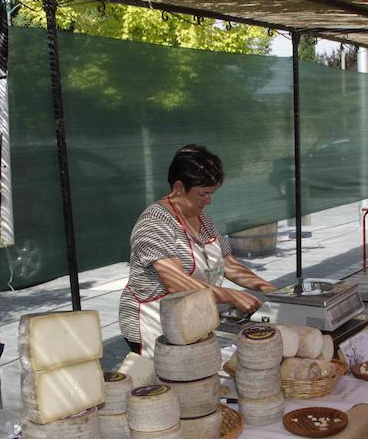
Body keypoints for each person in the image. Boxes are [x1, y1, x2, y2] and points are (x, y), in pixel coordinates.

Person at [118, 144, 275, 358]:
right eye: (203, 194)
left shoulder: (203, 219)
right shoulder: (155, 223)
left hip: (190, 317)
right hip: (155, 324)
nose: (209, 201)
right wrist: (231, 296)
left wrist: (265, 287)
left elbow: (227, 262)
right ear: (179, 188)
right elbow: (177, 283)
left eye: (211, 193)